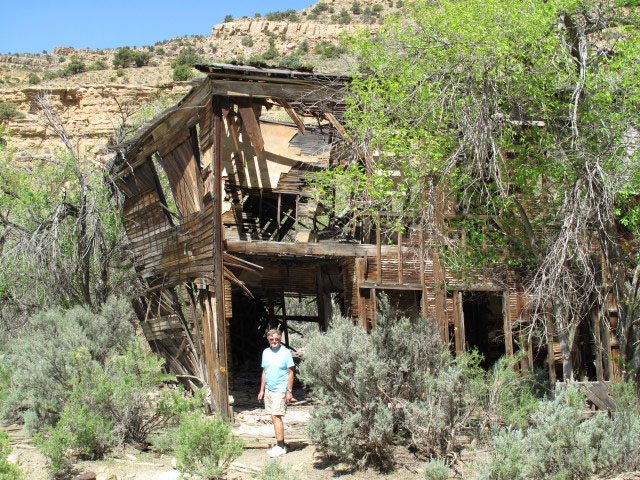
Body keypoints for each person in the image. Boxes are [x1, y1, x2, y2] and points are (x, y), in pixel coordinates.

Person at [258, 329, 294, 458]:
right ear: (268, 340)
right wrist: (262, 390)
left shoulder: (285, 353)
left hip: (280, 389)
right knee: (273, 417)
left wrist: (289, 391)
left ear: (280, 339)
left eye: (277, 339)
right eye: (272, 339)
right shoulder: (266, 352)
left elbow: (290, 373)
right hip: (269, 389)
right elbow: (264, 372)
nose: (274, 341)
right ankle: (280, 443)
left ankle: (280, 446)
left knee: (276, 416)